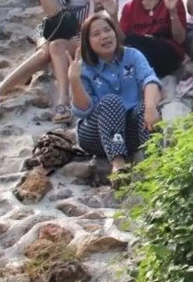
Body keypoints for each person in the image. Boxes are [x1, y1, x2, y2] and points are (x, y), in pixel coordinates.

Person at [69, 13, 161, 175]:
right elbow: (84, 110)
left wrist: (151, 108)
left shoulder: (132, 55)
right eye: (96, 34)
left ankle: (155, 162)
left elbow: (149, 79)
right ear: (87, 42)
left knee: (145, 107)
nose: (104, 36)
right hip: (95, 134)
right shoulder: (83, 67)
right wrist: (74, 80)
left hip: (129, 131)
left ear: (115, 32)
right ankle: (118, 165)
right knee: (111, 101)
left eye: (107, 30)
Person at [117, 0, 187, 77]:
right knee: (132, 42)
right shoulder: (130, 7)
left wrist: (172, 12)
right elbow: (122, 40)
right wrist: (113, 15)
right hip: (140, 53)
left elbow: (180, 39)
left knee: (136, 44)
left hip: (166, 53)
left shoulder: (172, 0)